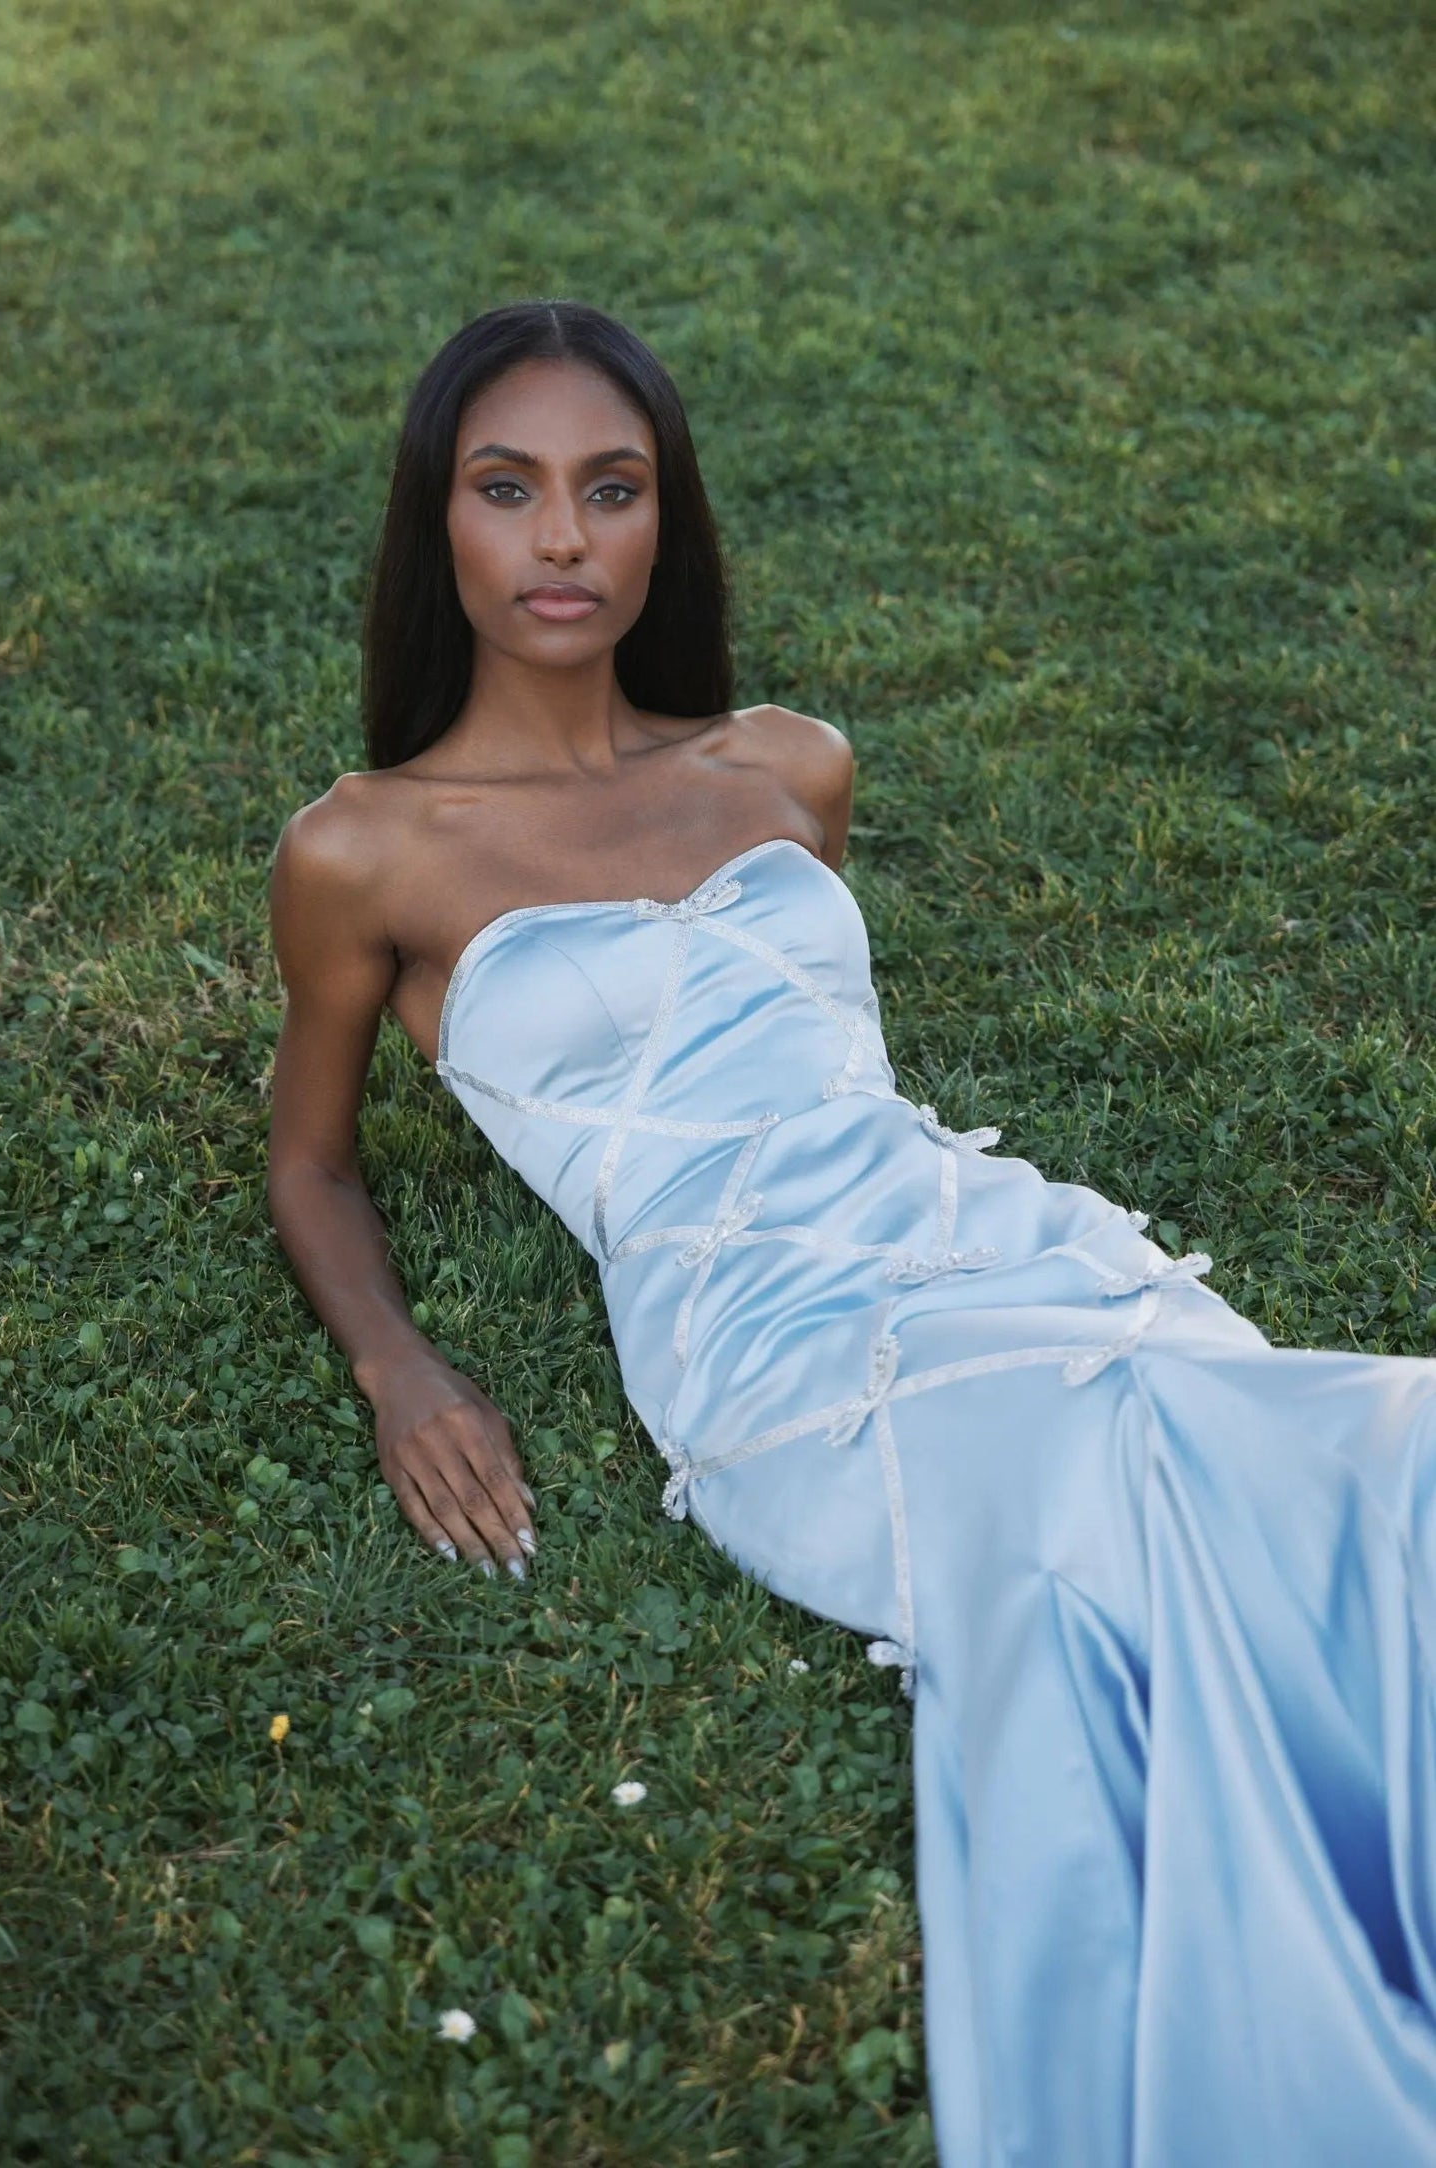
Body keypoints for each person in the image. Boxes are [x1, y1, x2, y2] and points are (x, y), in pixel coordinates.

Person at [266, 299, 1436, 2166]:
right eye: (509, 490)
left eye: (610, 488)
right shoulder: (364, 850)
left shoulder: (788, 765)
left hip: (989, 1231)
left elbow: (817, 1064)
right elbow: (310, 1161)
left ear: (667, 521)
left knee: (1357, 1452)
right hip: (767, 1341)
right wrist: (400, 1368)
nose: (562, 539)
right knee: (1126, 1491)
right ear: (443, 524)